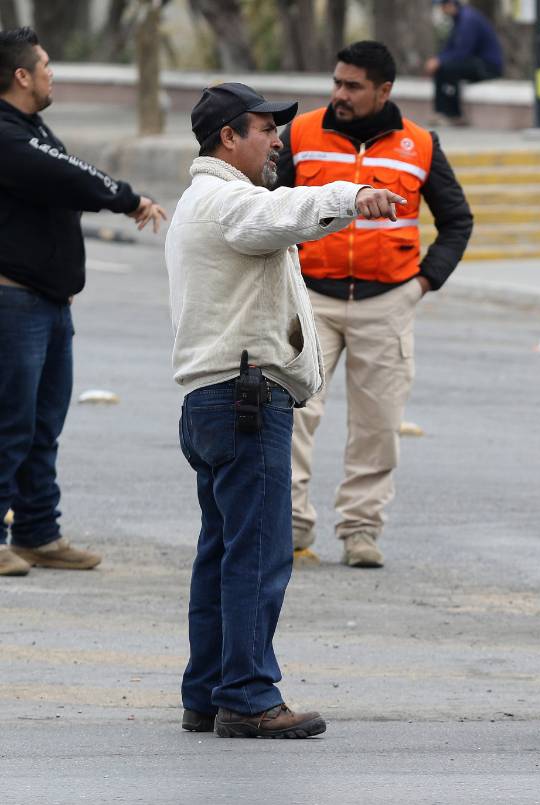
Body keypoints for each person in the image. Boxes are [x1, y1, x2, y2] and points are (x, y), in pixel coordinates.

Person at [166, 81, 404, 737]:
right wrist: (351, 196)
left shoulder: (201, 201)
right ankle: (245, 694)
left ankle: (207, 688)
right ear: (228, 138)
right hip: (245, 400)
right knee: (258, 553)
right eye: (265, 128)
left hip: (212, 401)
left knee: (222, 551)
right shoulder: (229, 202)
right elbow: (284, 213)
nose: (278, 139)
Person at [278, 41, 472, 569]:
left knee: (377, 424)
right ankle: (290, 526)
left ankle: (360, 530)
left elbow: (458, 220)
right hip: (309, 299)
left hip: (387, 302)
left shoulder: (420, 144)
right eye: (337, 82)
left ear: (384, 90)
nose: (339, 93)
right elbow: (268, 205)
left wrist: (423, 283)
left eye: (352, 85)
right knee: (293, 414)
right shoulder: (300, 134)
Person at [0, 26, 166, 578]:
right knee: (10, 424)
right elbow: (63, 173)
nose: (52, 74)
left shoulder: (29, 127)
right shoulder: (7, 135)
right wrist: (126, 197)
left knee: (43, 425)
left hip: (47, 302)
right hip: (13, 303)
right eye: (45, 65)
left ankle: (36, 533)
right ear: (21, 75)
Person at [424, 0, 504, 126]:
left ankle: (455, 115)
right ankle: (441, 112)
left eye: (441, 7)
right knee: (443, 69)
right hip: (476, 63)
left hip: (488, 66)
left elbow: (463, 52)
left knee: (448, 69)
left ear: (449, 4)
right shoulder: (458, 19)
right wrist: (438, 60)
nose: (441, 11)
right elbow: (450, 47)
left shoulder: (468, 19)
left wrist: (439, 61)